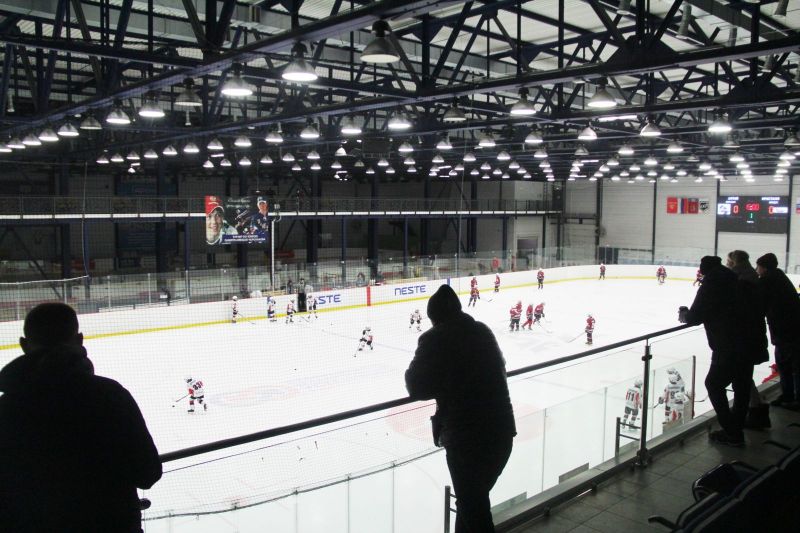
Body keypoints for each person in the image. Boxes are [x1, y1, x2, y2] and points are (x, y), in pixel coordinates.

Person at [0, 303, 162, 531]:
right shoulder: (109, 395)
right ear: (79, 340)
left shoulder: (6, 410)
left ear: (24, 344)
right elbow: (148, 473)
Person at [405, 285, 515, 533]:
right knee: (470, 502)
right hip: (502, 432)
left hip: (466, 439)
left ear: (434, 317)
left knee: (473, 508)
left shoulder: (434, 338)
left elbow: (416, 386)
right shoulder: (482, 331)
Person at [679, 255, 751, 447]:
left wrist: (685, 314)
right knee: (742, 385)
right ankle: (736, 428)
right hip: (747, 340)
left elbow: (695, 316)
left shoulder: (712, 283)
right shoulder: (734, 278)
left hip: (727, 343)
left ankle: (732, 432)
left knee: (713, 384)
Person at [726, 250, 770, 429]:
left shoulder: (739, 281)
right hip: (752, 334)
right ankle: (756, 411)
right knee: (744, 376)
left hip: (742, 337)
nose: (727, 264)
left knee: (739, 378)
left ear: (734, 262)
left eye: (728, 261)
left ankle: (738, 423)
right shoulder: (752, 277)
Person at [756, 253, 800, 409]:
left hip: (784, 331)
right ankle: (789, 396)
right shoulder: (780, 277)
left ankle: (791, 397)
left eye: (758, 267)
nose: (757, 270)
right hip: (791, 329)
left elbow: (758, 304)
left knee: (787, 364)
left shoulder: (767, 281)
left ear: (764, 268)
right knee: (791, 365)